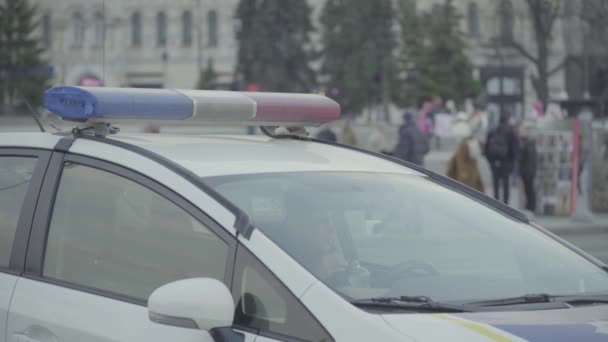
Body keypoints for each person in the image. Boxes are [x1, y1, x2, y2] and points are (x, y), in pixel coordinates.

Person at [485, 112, 518, 204]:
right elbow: (514, 149)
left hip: (495, 161)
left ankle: (496, 202)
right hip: (506, 162)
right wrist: (512, 162)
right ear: (507, 120)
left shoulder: (492, 131)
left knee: (495, 183)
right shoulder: (511, 132)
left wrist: (491, 161)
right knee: (506, 183)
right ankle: (505, 204)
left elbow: (486, 149)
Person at [446, 113, 485, 192]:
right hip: (471, 175)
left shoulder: (462, 144)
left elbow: (457, 163)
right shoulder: (472, 141)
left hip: (464, 176)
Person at [519, 129, 537, 213]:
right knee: (529, 190)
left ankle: (530, 207)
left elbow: (528, 161)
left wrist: (526, 172)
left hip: (527, 173)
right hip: (529, 172)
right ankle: (530, 206)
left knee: (529, 190)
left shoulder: (527, 147)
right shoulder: (531, 146)